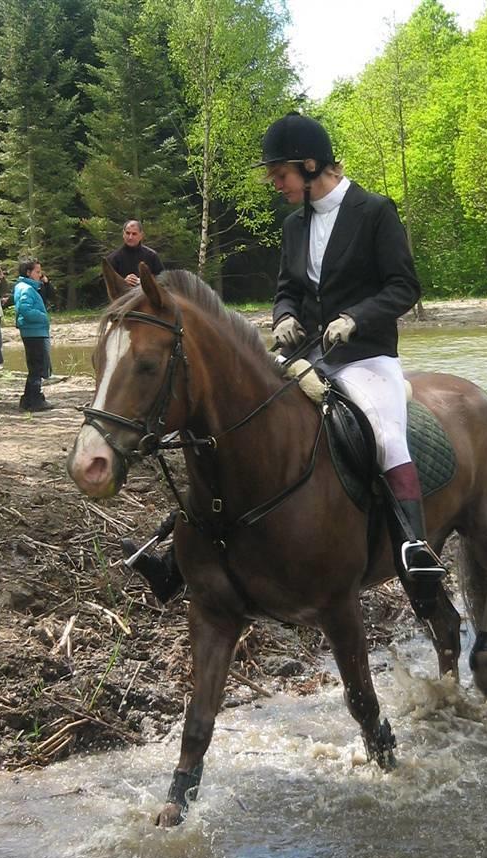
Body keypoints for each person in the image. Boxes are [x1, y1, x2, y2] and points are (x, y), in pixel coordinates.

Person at [124, 113, 445, 610]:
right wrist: (285, 316)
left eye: (281, 175)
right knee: (236, 425)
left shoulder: (375, 210)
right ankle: (179, 554)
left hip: (365, 355)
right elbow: (287, 289)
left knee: (384, 432)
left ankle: (414, 549)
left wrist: (355, 319)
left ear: (311, 165)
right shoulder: (295, 224)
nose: (277, 185)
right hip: (307, 353)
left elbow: (404, 286)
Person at [13, 258, 53, 411]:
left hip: (34, 331)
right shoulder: (26, 289)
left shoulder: (27, 287)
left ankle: (28, 399)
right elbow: (25, 309)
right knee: (37, 366)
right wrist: (43, 317)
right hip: (34, 332)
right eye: (37, 272)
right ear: (28, 273)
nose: (40, 275)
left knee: (35, 366)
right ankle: (35, 400)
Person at [106, 220, 164, 287]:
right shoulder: (113, 258)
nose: (130, 237)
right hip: (124, 296)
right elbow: (107, 285)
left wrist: (145, 281)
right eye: (128, 233)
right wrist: (123, 282)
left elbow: (163, 280)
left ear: (141, 235)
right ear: (123, 234)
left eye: (134, 234)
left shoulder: (152, 256)